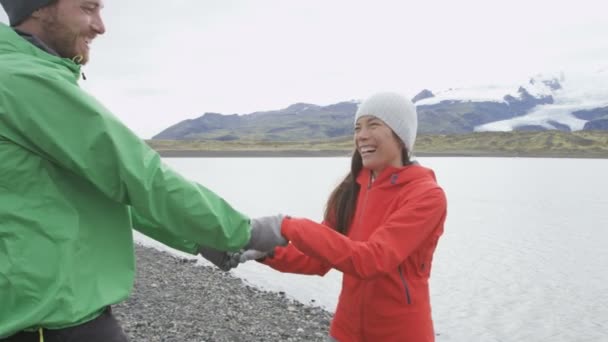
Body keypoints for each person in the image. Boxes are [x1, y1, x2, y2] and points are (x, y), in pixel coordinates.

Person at [0, 1, 282, 340]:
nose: (100, 26)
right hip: (48, 319)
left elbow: (102, 184)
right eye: (88, 8)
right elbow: (138, 174)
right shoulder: (23, 79)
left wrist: (201, 239)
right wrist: (242, 231)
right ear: (40, 8)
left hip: (58, 311)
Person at [237, 92, 448, 341]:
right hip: (344, 333)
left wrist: (287, 226)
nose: (362, 135)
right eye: (358, 127)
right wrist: (265, 252)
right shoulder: (351, 189)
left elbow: (371, 260)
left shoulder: (426, 196)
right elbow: (316, 260)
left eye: (374, 124)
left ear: (401, 135)